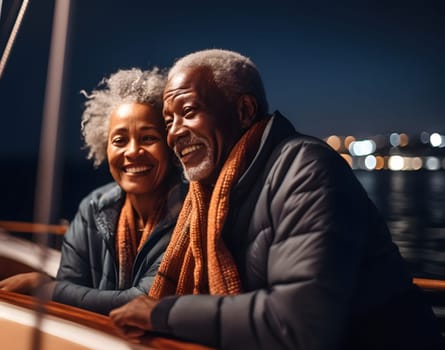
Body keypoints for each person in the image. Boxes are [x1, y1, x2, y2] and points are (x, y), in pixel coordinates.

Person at [109, 49, 444, 349]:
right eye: (169, 120)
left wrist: (163, 312)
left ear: (244, 110)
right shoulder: (206, 196)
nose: (175, 132)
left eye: (188, 111)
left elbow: (299, 324)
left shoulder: (306, 169)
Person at [0, 67, 187, 315]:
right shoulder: (94, 208)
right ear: (104, 147)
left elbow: (141, 302)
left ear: (170, 146)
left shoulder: (189, 214)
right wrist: (59, 290)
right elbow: (69, 294)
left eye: (148, 138)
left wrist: (46, 287)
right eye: (119, 140)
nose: (132, 151)